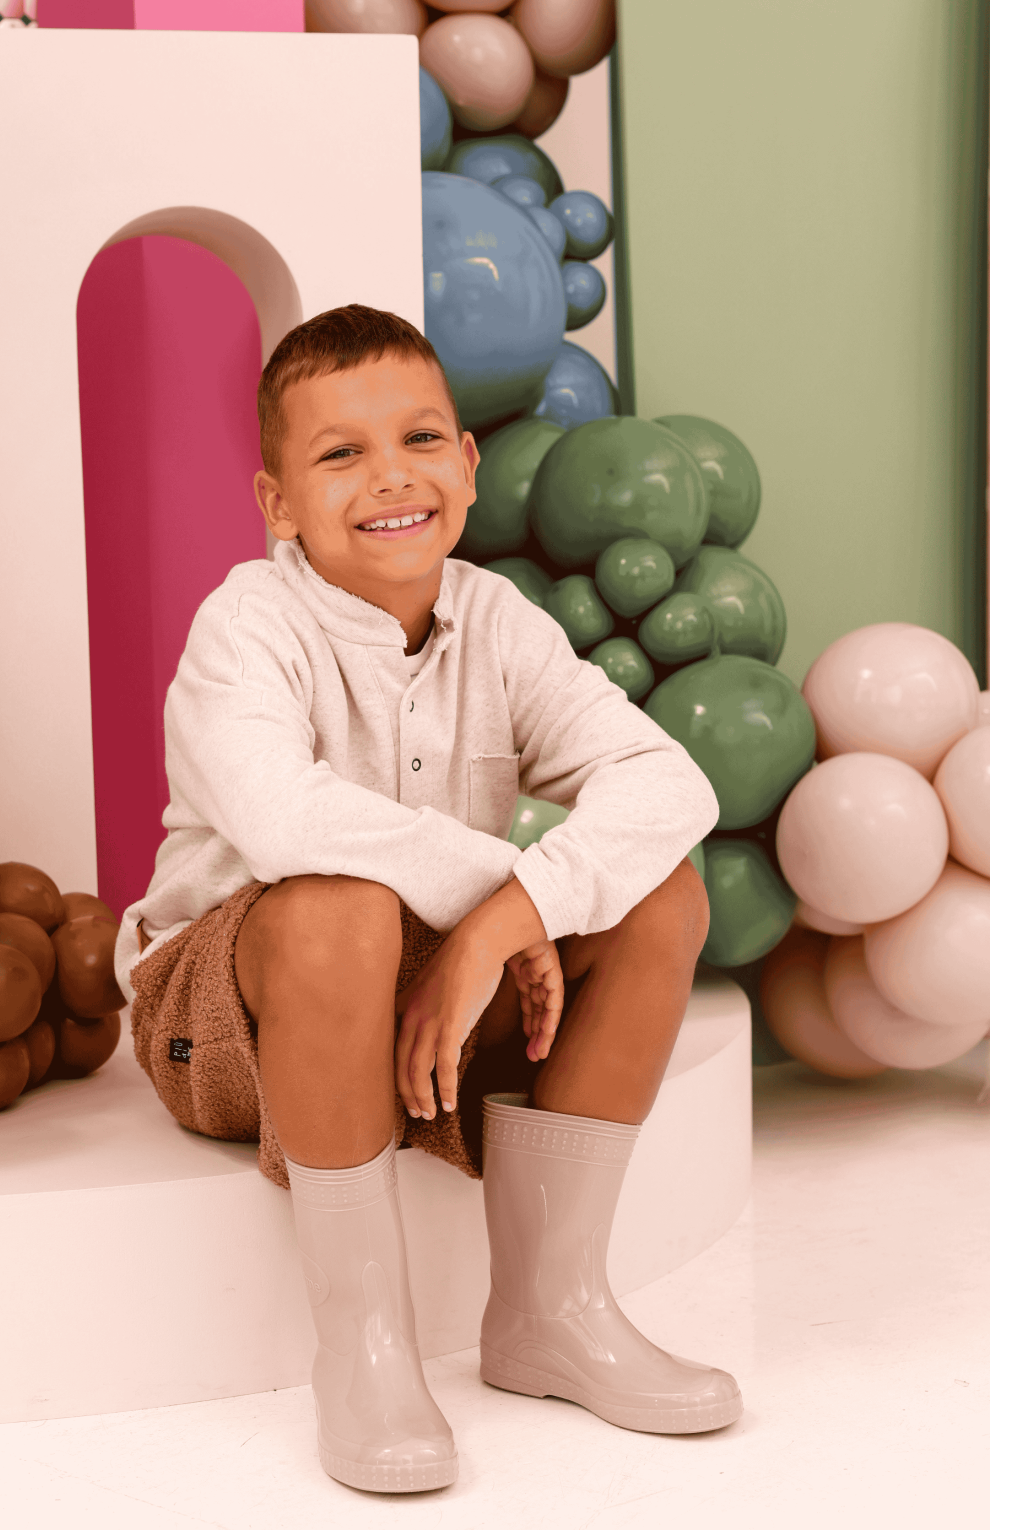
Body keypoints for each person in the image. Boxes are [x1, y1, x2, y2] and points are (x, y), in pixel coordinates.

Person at [113, 304, 740, 1494]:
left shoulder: (497, 621)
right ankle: (363, 1349)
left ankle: (553, 1309)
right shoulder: (246, 627)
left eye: (418, 439)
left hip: (428, 1003)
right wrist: (505, 893)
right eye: (340, 454)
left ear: (467, 462)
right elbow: (286, 823)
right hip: (228, 1018)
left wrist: (504, 923)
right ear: (278, 503)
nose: (390, 476)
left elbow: (670, 783)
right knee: (340, 903)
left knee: (659, 893)